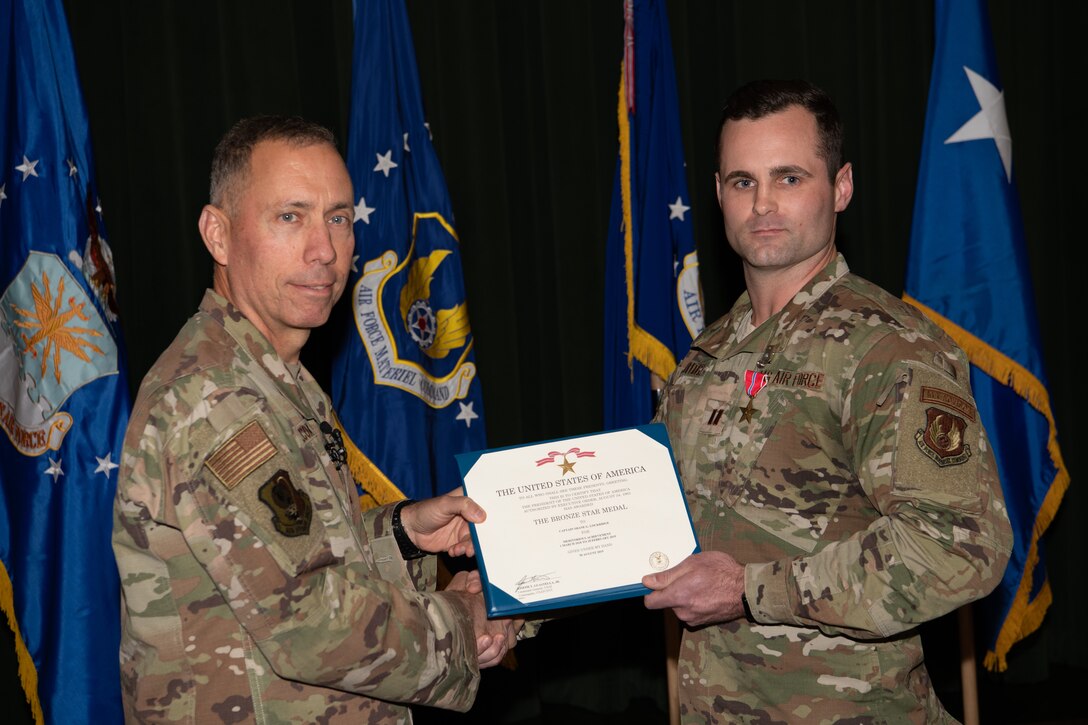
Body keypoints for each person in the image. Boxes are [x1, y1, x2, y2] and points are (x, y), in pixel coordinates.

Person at [112, 115, 519, 723]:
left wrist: (405, 530)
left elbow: (303, 551)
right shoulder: (214, 398)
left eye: (339, 218)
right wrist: (465, 619)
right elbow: (308, 618)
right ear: (217, 235)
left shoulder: (275, 374)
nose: (325, 250)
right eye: (290, 217)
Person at [641, 79, 1013, 722]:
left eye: (788, 178)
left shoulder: (887, 350)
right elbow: (644, 517)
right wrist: (516, 590)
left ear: (840, 187)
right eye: (741, 181)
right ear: (719, 194)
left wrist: (751, 590)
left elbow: (959, 548)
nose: (762, 204)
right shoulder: (707, 357)